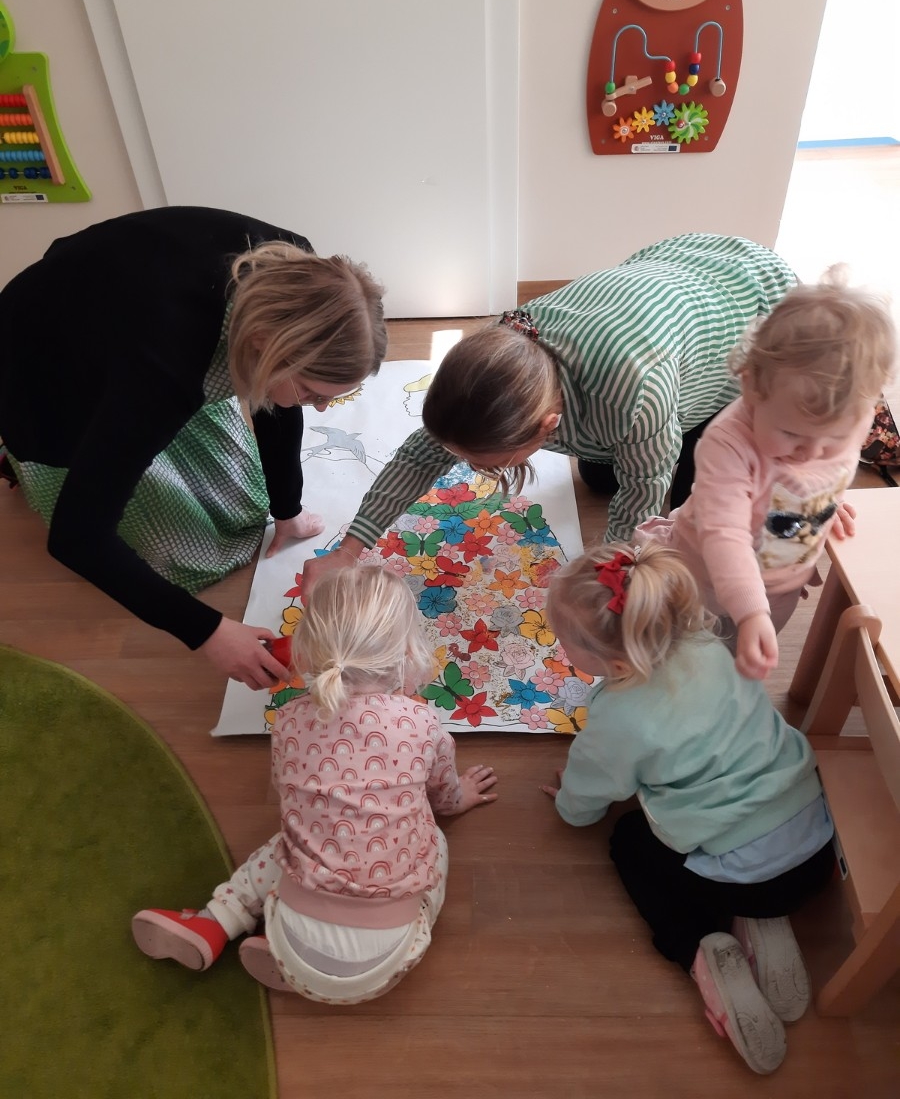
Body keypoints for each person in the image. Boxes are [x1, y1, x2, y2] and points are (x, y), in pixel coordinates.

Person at [0, 206, 387, 688]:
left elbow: (277, 402)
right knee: (168, 551)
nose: (323, 409)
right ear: (263, 345)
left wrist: (286, 508)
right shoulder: (165, 369)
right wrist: (208, 631)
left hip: (120, 297)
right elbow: (77, 538)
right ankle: (15, 460)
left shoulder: (301, 273)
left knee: (229, 475)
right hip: (42, 353)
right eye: (313, 393)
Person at [301, 232, 796, 601]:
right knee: (600, 477)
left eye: (485, 462)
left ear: (547, 426)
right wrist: (348, 551)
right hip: (664, 281)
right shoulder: (496, 352)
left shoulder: (638, 396)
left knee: (691, 500)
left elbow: (642, 494)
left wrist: (612, 578)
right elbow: (419, 457)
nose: (471, 470)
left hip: (744, 308)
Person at [131, 565, 497, 1003]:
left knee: (286, 844)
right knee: (433, 838)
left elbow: (286, 791)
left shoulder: (288, 720)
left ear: (303, 648)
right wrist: (457, 800)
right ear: (406, 652)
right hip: (385, 964)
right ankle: (302, 960)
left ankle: (219, 922)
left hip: (292, 928)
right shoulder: (421, 721)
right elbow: (441, 793)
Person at [540, 541, 836, 1075]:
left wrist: (568, 803)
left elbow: (584, 799)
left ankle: (700, 948)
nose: (560, 647)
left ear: (613, 663)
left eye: (564, 641)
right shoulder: (711, 644)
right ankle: (763, 919)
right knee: (738, 845)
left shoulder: (618, 717)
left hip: (741, 877)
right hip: (817, 844)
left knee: (629, 842)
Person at [636, 268, 897, 680]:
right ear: (752, 388)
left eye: (836, 438)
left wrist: (827, 501)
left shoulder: (853, 412)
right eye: (791, 433)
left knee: (733, 667)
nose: (812, 453)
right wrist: (751, 610)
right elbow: (725, 534)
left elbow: (831, 466)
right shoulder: (729, 443)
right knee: (677, 659)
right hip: (703, 583)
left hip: (781, 584)